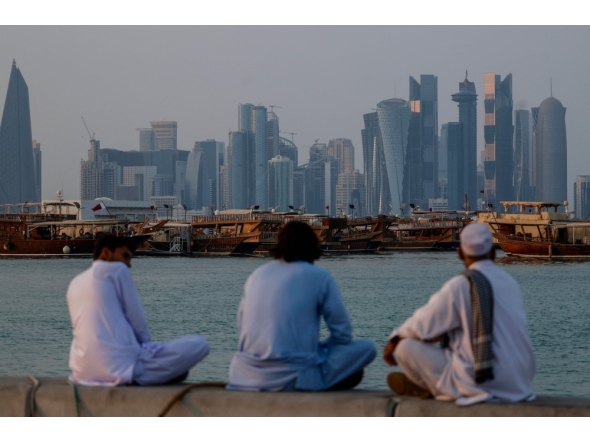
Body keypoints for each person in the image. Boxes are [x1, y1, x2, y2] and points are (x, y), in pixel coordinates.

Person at [383, 222, 536, 405]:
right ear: (494, 253)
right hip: (520, 386)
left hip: (482, 382)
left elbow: (421, 325)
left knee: (404, 347)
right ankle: (435, 387)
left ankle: (437, 388)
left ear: (460, 253)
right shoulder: (511, 284)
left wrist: (393, 342)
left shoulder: (462, 285)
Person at [228, 221, 376, 391]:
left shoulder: (257, 274)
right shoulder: (319, 276)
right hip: (293, 377)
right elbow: (343, 335)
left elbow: (242, 326)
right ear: (312, 246)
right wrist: (318, 348)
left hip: (244, 375)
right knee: (367, 348)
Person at [66, 234, 210, 386]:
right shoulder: (117, 270)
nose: (128, 264)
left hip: (81, 371)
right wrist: (147, 349)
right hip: (122, 367)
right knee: (200, 344)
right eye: (125, 256)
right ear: (106, 253)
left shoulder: (75, 282)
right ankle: (153, 373)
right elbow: (137, 320)